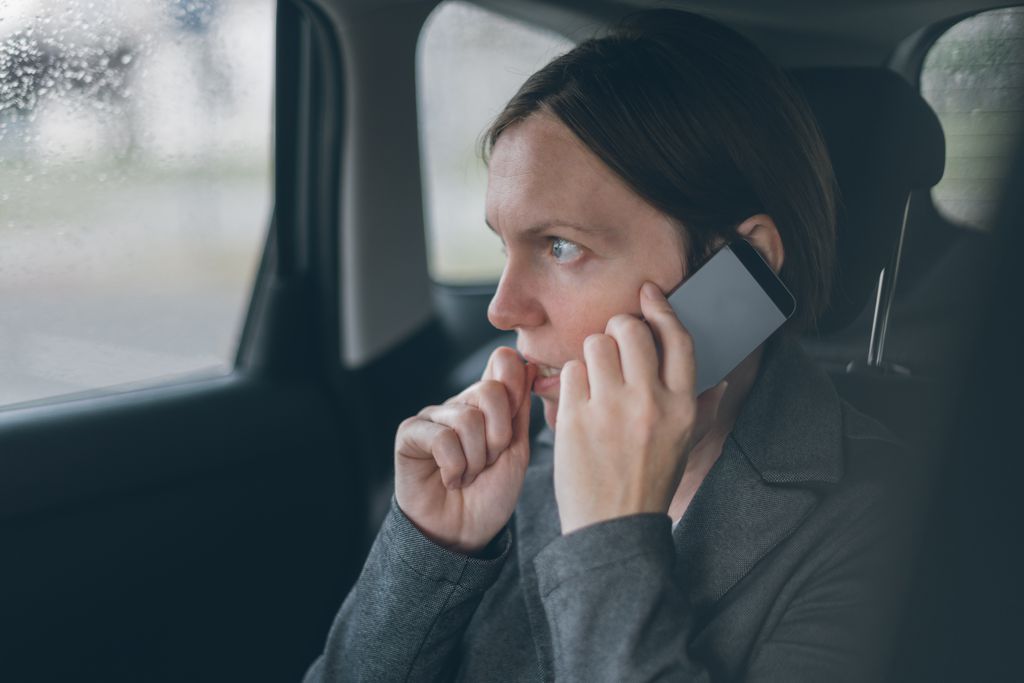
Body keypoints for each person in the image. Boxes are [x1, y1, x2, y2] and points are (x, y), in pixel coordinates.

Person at [305, 8, 916, 682]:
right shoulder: (514, 476)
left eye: (562, 246)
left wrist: (609, 541)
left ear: (743, 268)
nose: (503, 307)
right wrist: (432, 553)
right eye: (504, 246)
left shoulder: (886, 535)